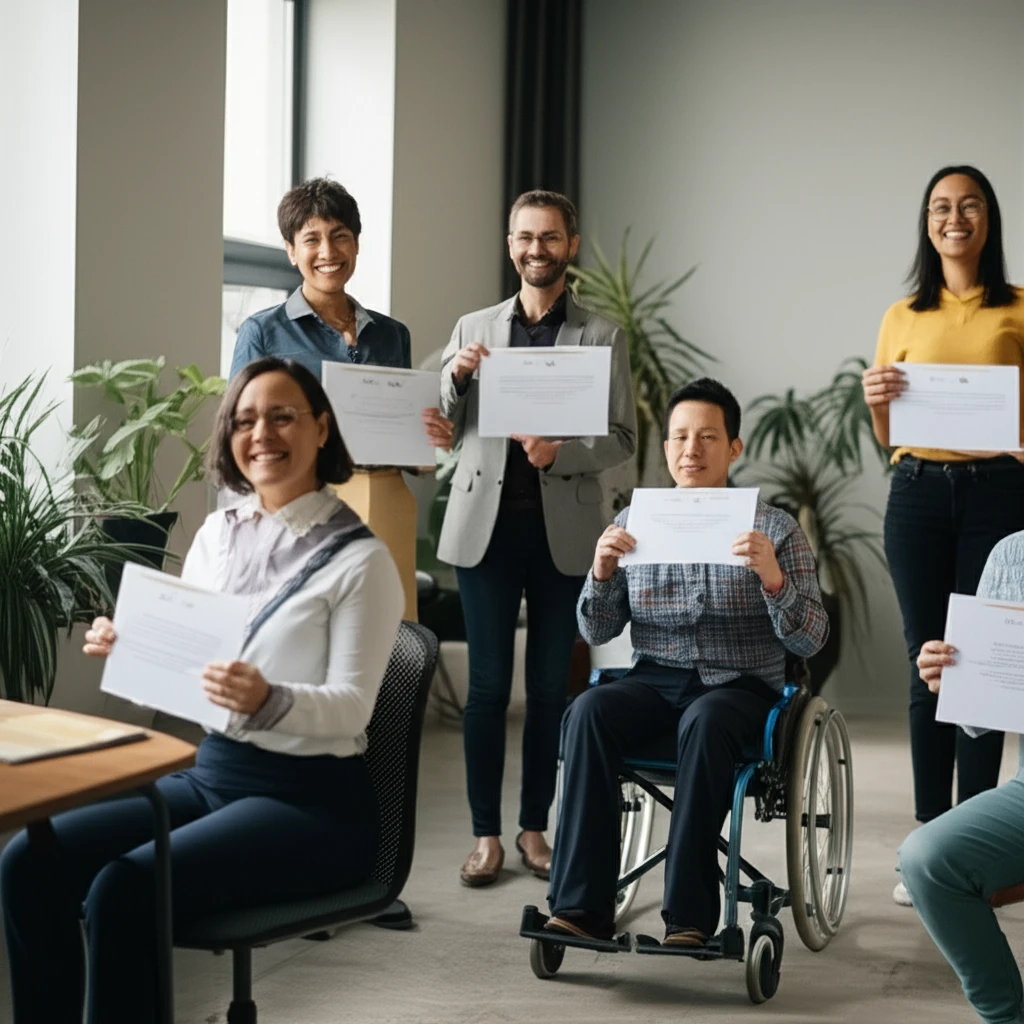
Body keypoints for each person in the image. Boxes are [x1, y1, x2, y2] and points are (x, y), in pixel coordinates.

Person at [0, 357, 404, 1024]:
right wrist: (134, 644)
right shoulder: (218, 534)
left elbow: (352, 708)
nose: (261, 434)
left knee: (124, 889)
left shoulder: (362, 560)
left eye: (282, 416)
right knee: (28, 862)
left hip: (312, 805)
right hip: (212, 776)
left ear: (321, 428)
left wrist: (268, 698)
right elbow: (192, 669)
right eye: (244, 420)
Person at [544, 378, 829, 945]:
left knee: (707, 717)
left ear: (734, 448)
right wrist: (601, 573)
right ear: (666, 446)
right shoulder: (635, 521)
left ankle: (690, 918)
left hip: (740, 688)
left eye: (707, 437)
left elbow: (812, 639)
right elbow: (596, 629)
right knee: (587, 712)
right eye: (679, 437)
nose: (690, 450)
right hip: (654, 680)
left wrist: (774, 579)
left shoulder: (775, 529)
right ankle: (580, 908)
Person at [438, 189, 637, 886]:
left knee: (551, 689)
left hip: (565, 534)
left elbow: (622, 437)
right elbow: (441, 425)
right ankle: (485, 835)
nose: (536, 249)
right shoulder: (473, 327)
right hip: (485, 532)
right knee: (487, 689)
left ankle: (533, 829)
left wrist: (562, 453)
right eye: (525, 237)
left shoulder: (603, 335)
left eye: (550, 237)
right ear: (510, 244)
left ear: (570, 246)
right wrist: (456, 377)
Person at [861, 164, 1024, 906]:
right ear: (927, 224)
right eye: (940, 207)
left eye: (969, 205)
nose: (954, 218)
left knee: (981, 669)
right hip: (918, 493)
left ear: (989, 219)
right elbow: (887, 434)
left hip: (1000, 494)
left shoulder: (1018, 307)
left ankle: (973, 847)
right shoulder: (902, 314)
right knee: (927, 661)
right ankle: (927, 839)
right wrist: (877, 402)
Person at [899, 530, 1024, 1024]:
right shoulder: (1012, 555)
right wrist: (952, 676)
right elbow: (979, 719)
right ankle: (1005, 1015)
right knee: (926, 859)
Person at [229, 176, 452, 450]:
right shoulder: (261, 333)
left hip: (381, 477)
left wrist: (428, 438)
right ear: (291, 251)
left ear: (356, 244)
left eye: (340, 236)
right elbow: (239, 434)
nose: (328, 252)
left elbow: (401, 436)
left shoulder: (393, 335)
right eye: (312, 239)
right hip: (303, 478)